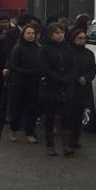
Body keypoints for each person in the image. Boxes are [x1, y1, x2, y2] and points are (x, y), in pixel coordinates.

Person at [38, 23, 76, 156]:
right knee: (50, 116)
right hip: (51, 87)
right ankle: (50, 145)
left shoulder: (68, 48)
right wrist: (58, 78)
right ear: (50, 34)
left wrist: (68, 78)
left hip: (66, 88)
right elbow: (44, 68)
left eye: (62, 32)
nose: (60, 35)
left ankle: (66, 145)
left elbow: (73, 65)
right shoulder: (45, 49)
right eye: (57, 33)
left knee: (66, 116)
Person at [6, 24, 41, 143]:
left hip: (34, 83)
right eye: (28, 33)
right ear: (23, 34)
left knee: (33, 108)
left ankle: (30, 133)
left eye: (33, 33)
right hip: (19, 83)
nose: (31, 36)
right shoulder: (18, 48)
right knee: (17, 108)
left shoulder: (38, 47)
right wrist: (27, 72)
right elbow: (13, 66)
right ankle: (13, 130)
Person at [67, 28, 96, 150]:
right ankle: (67, 139)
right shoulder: (68, 52)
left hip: (84, 87)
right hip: (71, 86)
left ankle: (75, 139)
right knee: (70, 115)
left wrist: (86, 77)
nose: (82, 40)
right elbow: (66, 68)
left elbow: (93, 69)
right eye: (79, 38)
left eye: (84, 38)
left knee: (79, 115)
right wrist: (77, 77)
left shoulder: (89, 53)